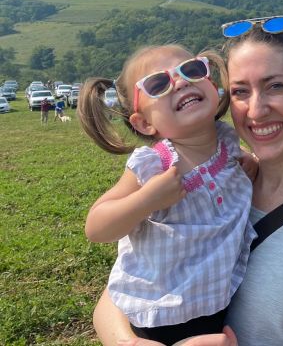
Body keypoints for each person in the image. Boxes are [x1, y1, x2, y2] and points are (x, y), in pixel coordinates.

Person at [93, 16, 283, 346]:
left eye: (275, 86)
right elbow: (122, 291)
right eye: (242, 91)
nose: (256, 111)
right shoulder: (204, 183)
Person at [78, 44, 255, 345]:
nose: (182, 81)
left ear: (213, 86)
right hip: (159, 317)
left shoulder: (228, 142)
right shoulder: (154, 165)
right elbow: (96, 226)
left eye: (193, 69)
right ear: (145, 123)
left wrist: (252, 164)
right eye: (159, 84)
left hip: (217, 305)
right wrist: (147, 199)